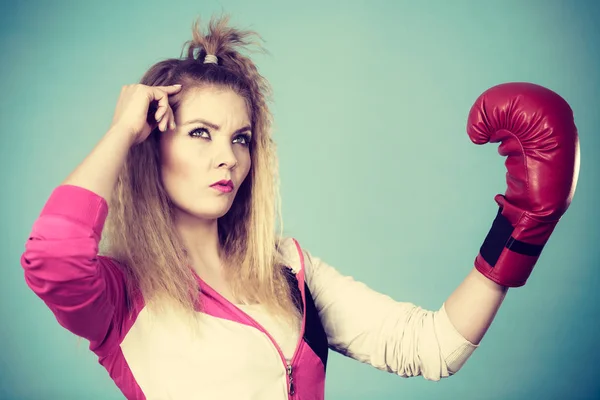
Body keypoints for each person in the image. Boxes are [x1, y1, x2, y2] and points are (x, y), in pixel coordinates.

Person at [20, 15, 580, 400]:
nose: (228, 159)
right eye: (200, 133)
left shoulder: (289, 269)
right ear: (151, 143)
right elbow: (53, 260)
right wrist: (121, 130)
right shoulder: (119, 295)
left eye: (240, 139)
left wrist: (522, 226)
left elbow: (430, 347)